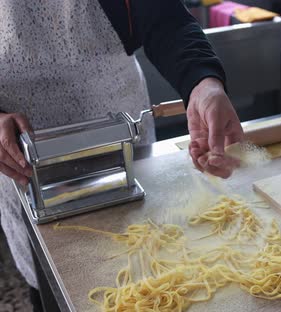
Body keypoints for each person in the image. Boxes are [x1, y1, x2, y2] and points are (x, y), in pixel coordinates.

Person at [0, 0, 242, 308]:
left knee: (147, 267)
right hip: (20, 153)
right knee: (55, 283)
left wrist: (202, 82)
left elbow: (165, 19)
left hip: (122, 132)